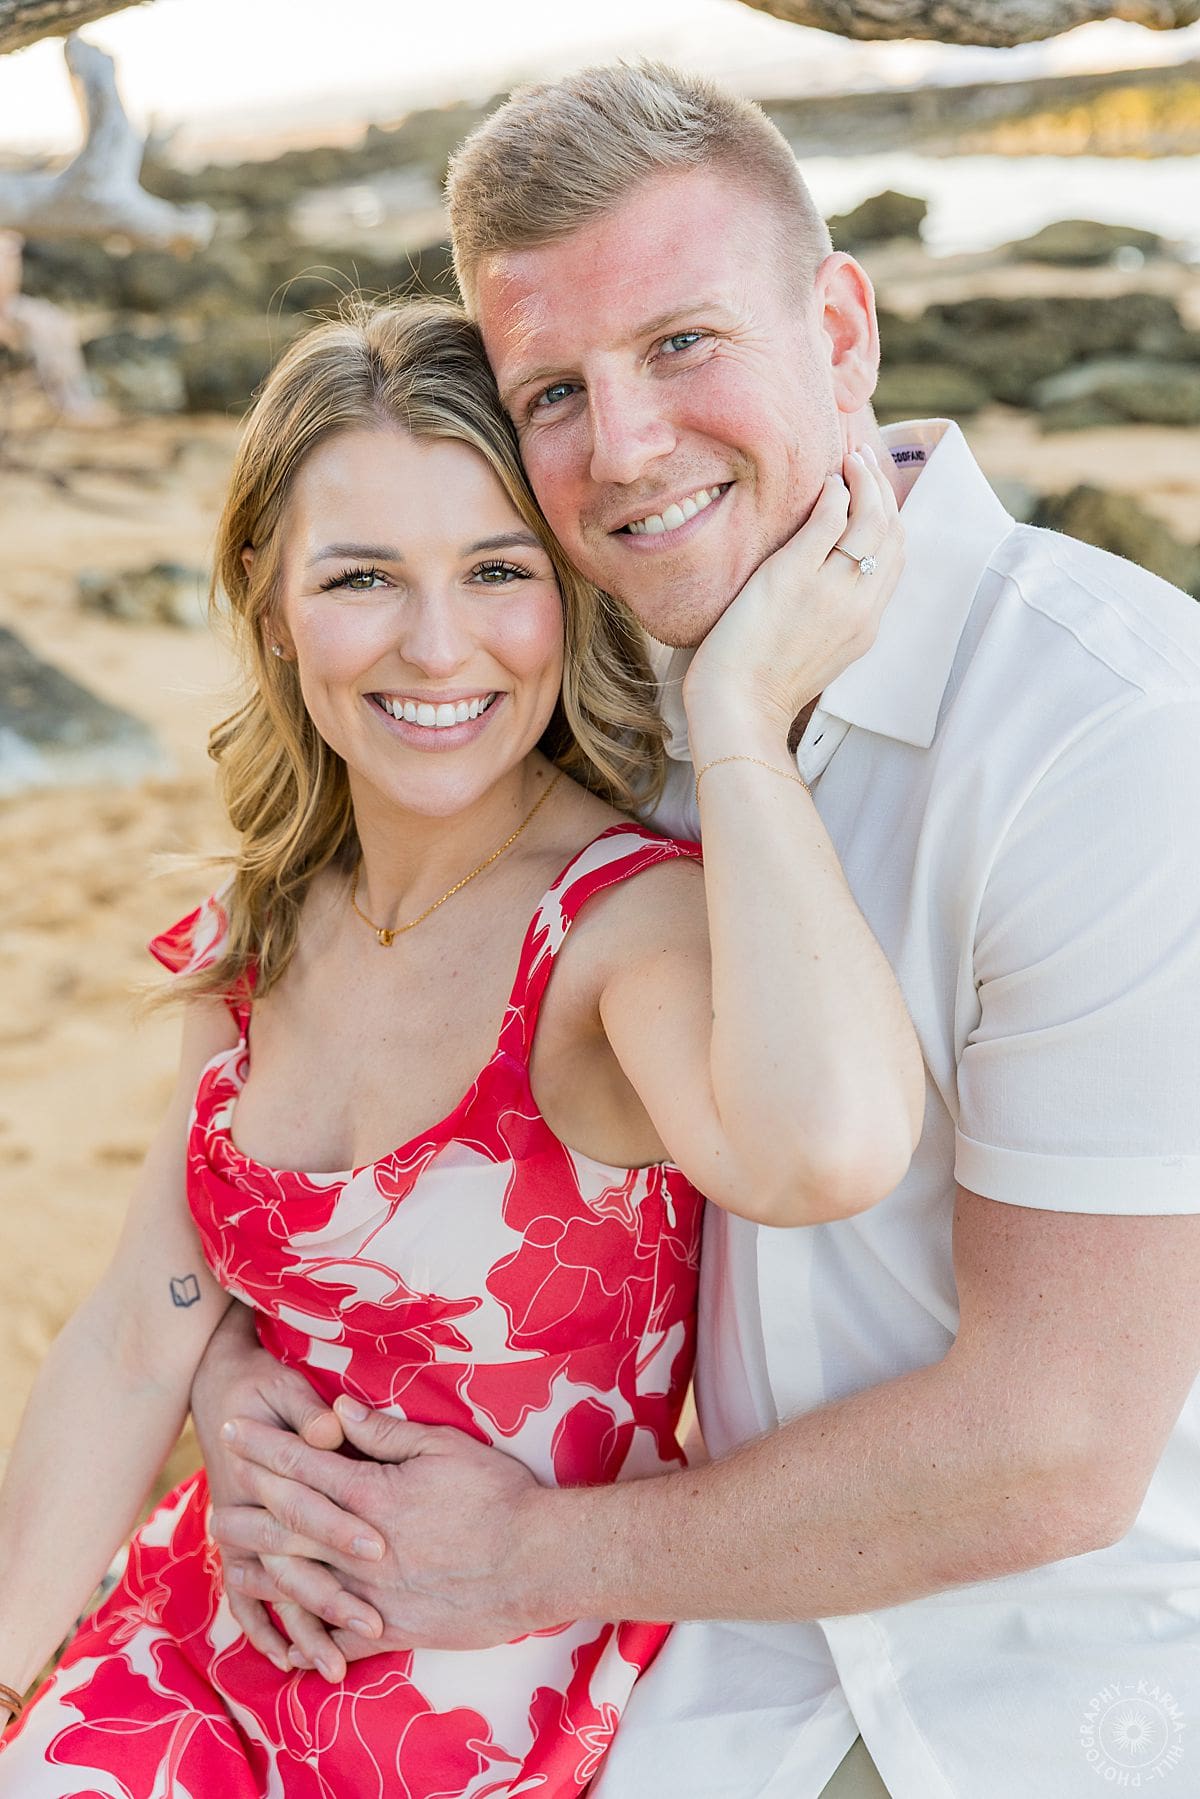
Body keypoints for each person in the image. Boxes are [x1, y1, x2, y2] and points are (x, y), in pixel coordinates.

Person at [183, 62, 1200, 1799]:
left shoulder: (1114, 733)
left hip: (1046, 1686)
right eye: (555, 391)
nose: (628, 447)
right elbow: (335, 1036)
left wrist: (525, 1561)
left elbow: (1051, 1452)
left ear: (842, 322)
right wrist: (235, 1389)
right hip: (670, 1682)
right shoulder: (565, 675)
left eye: (681, 345)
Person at [0, 296, 921, 1795]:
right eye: (364, 576)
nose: (440, 648)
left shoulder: (620, 931)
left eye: (499, 570)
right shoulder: (270, 922)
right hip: (193, 1648)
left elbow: (827, 1153)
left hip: (485, 1712)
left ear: (565, 588)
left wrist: (736, 716)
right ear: (270, 593)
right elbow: (131, 1329)